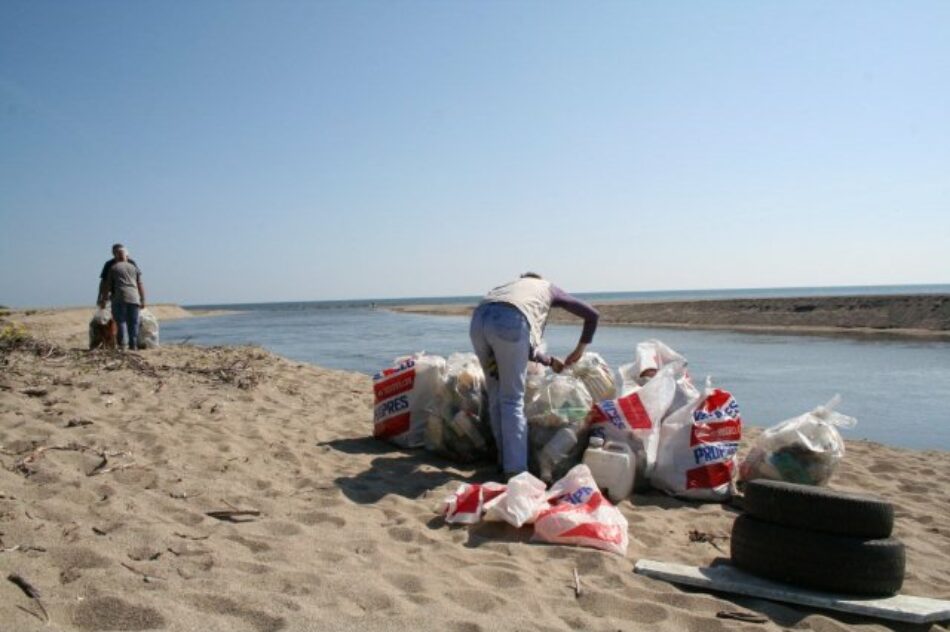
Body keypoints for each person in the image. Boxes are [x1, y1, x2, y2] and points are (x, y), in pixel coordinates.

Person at [469, 273, 599, 477]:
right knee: (512, 400)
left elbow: (516, 346)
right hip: (510, 322)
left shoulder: (510, 288)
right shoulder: (547, 288)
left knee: (496, 393)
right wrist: (579, 350)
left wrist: (548, 361)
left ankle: (502, 459)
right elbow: (592, 315)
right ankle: (515, 470)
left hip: (478, 320)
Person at [99, 247, 146, 350]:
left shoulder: (114, 268)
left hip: (119, 298)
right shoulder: (134, 268)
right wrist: (143, 299)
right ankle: (133, 345)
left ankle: (122, 345)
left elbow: (107, 285)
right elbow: (140, 284)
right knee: (133, 322)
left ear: (116, 256)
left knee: (120, 321)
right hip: (134, 298)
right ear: (126, 256)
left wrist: (103, 299)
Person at [97, 243, 139, 309]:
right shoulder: (109, 264)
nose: (118, 254)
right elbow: (104, 282)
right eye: (116, 252)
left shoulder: (131, 263)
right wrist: (101, 296)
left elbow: (138, 280)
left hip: (130, 294)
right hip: (115, 294)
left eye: (120, 252)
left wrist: (141, 297)